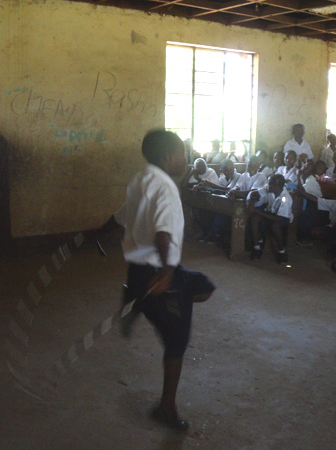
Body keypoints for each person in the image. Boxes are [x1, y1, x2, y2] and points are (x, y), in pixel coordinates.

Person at [114, 129, 216, 431]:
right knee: (177, 341)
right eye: (183, 153)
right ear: (168, 157)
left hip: (138, 271)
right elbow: (162, 233)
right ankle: (166, 409)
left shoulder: (139, 180)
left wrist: (95, 232)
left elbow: (121, 216)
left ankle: (134, 302)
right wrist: (166, 272)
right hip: (159, 274)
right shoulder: (167, 187)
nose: (186, 159)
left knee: (204, 287)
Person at [247, 174, 293, 263]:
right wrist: (251, 202)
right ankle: (257, 248)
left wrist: (260, 212)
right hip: (270, 213)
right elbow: (254, 193)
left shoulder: (285, 198)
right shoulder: (269, 188)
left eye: (272, 185)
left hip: (283, 218)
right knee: (254, 218)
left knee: (275, 226)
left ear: (279, 187)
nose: (269, 186)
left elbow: (279, 218)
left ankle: (282, 252)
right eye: (269, 183)